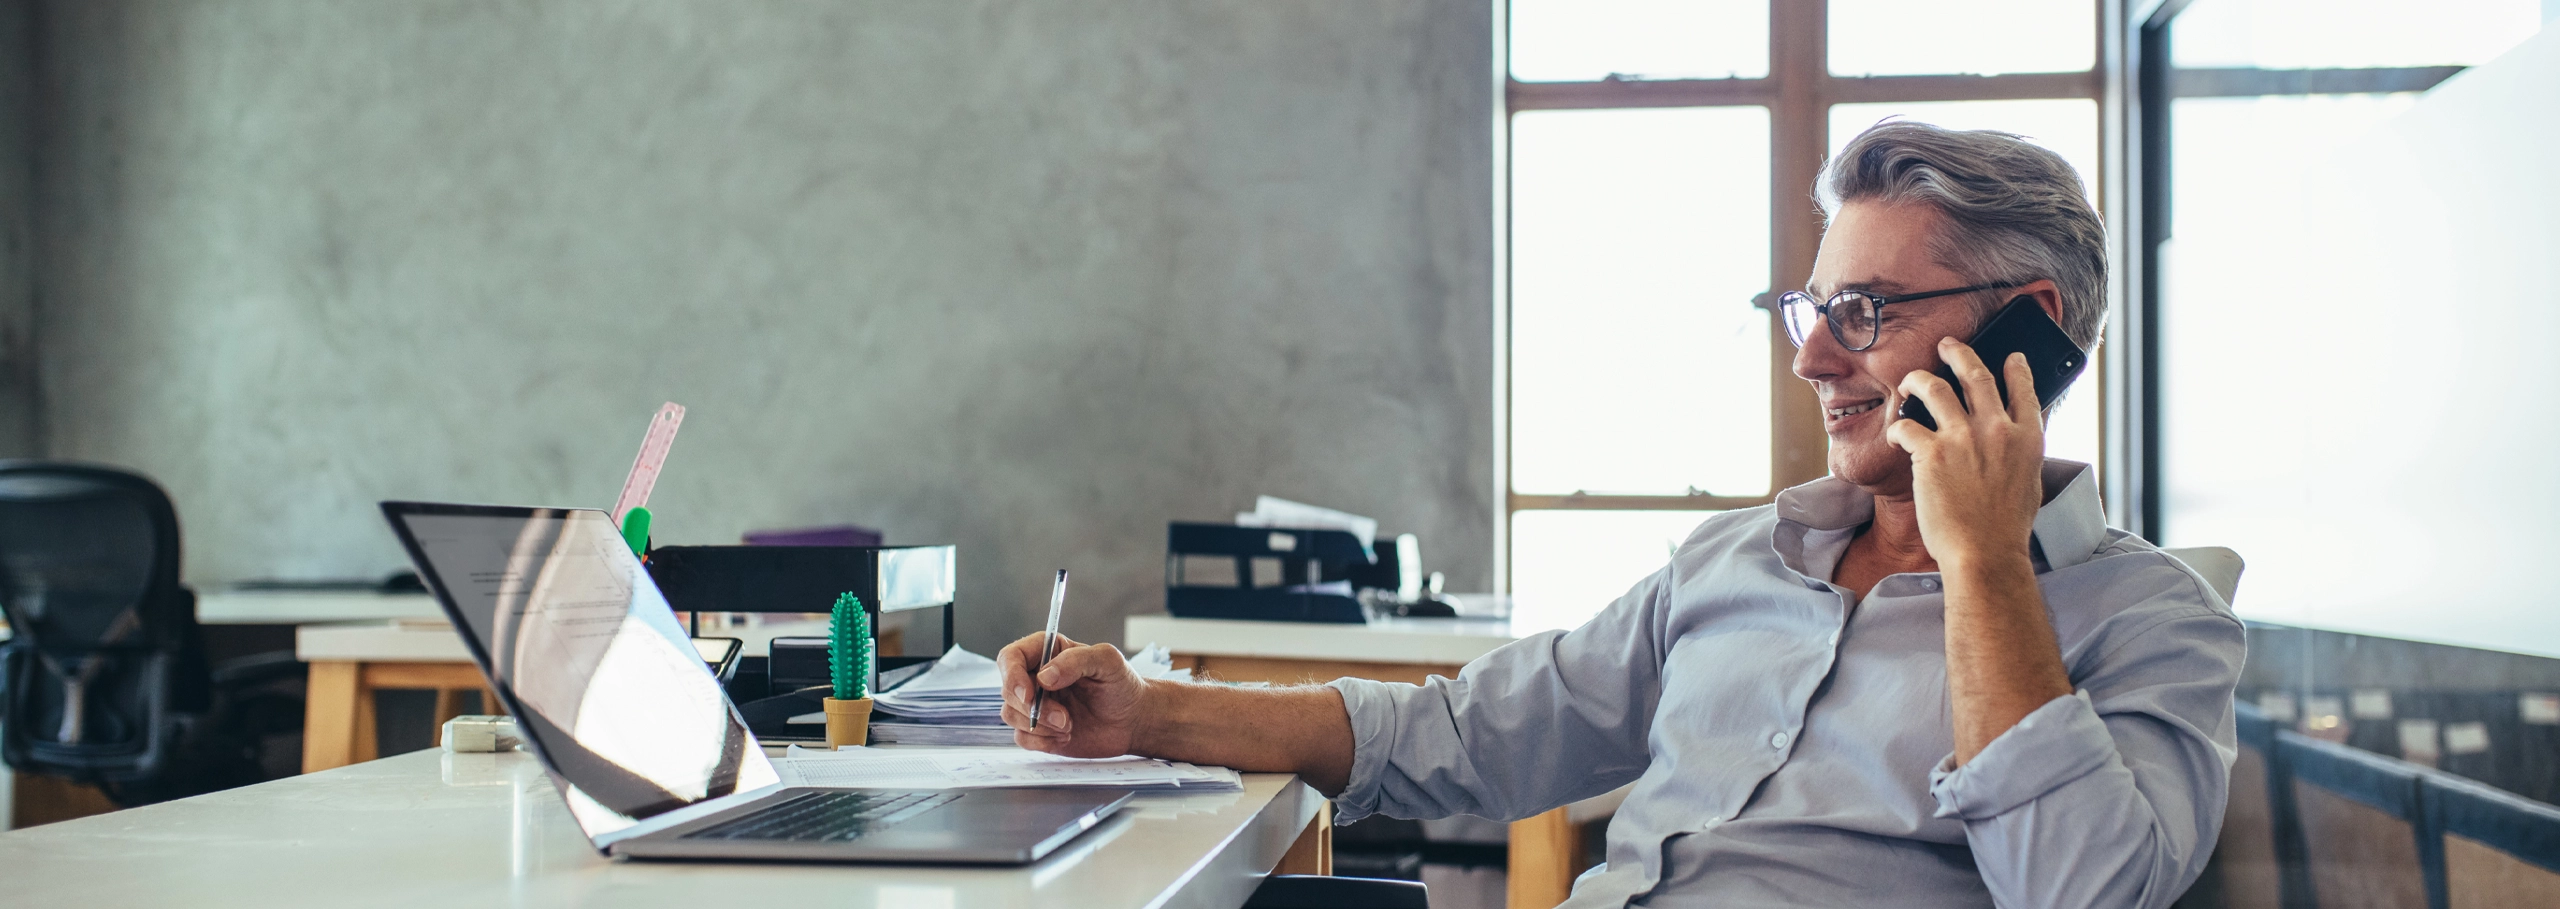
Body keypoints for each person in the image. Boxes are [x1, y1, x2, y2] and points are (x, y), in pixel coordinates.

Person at [999, 120, 2244, 909]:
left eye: (1865, 311)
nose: (1814, 363)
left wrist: (1981, 567)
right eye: (1808, 312)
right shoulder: (1743, 559)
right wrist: (1148, 711)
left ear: (2025, 327)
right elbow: (1457, 737)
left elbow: (2079, 893)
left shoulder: (2150, 619)